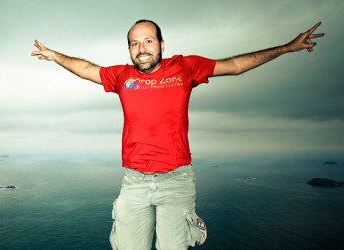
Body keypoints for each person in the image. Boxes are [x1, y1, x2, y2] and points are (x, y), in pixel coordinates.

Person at [31, 19, 324, 250]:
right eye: (134, 43)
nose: (141, 48)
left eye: (148, 41)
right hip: (134, 181)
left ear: (161, 44)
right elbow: (85, 68)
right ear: (129, 50)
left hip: (176, 179)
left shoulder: (185, 67)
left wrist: (287, 47)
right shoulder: (122, 76)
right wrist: (55, 55)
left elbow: (234, 66)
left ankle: (187, 225)